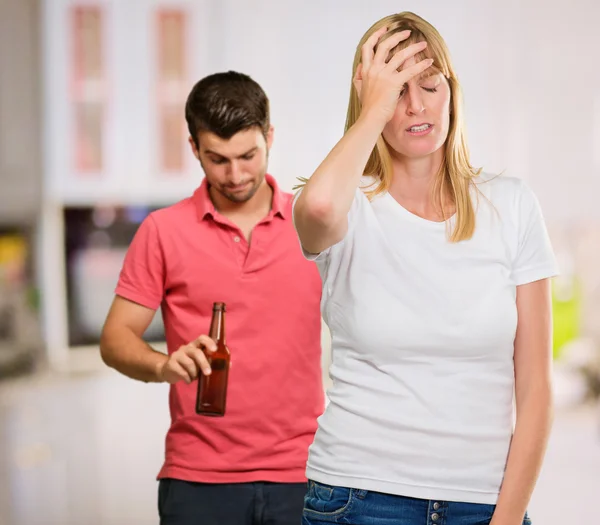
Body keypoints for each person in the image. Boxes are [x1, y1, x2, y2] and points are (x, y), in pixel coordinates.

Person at [293, 11, 557, 525]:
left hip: (483, 502)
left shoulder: (513, 204)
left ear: (451, 92)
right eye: (396, 92)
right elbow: (318, 211)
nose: (416, 105)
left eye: (430, 85)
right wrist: (371, 111)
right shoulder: (347, 205)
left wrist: (505, 520)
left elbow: (536, 390)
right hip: (358, 498)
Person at [100, 71, 324, 525]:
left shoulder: (313, 223)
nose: (236, 175)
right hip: (197, 479)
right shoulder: (163, 231)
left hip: (305, 472)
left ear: (270, 137)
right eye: (218, 159)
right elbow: (115, 340)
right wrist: (163, 366)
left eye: (248, 155)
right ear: (193, 148)